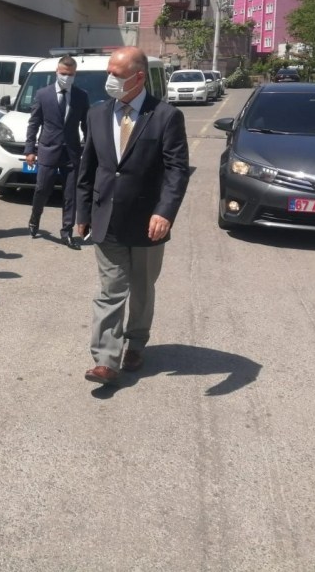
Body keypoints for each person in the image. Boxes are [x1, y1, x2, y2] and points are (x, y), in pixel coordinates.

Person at [75, 47, 190, 386]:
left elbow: (177, 171)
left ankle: (136, 343)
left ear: (138, 78)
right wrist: (82, 212)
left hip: (147, 222)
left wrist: (164, 212)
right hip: (106, 217)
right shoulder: (97, 114)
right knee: (111, 289)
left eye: (117, 74)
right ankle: (106, 360)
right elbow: (88, 167)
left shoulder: (166, 116)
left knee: (141, 287)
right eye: (108, 72)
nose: (109, 79)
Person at [25, 56, 90, 249]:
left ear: (75, 74)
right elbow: (34, 123)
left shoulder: (81, 96)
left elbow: (86, 125)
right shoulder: (43, 94)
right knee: (42, 189)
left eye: (70, 74)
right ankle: (35, 218)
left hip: (71, 152)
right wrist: (30, 150)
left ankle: (66, 232)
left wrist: (88, 149)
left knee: (70, 195)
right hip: (48, 150)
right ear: (56, 72)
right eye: (63, 73)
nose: (66, 77)